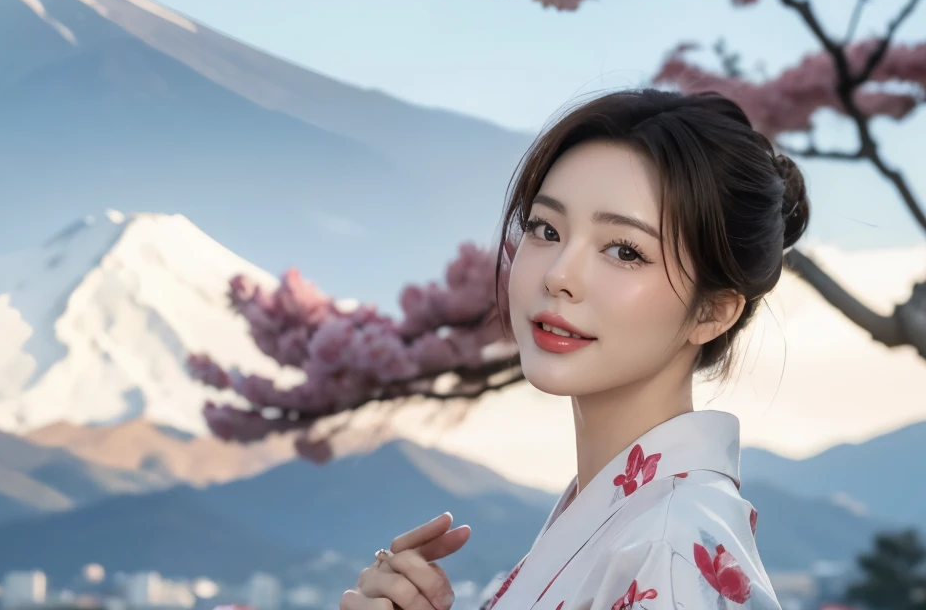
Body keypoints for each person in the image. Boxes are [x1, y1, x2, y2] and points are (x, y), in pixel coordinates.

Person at [340, 89, 809, 610]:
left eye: (624, 250)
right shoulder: (629, 520)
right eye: (546, 229)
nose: (560, 273)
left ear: (712, 311)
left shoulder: (666, 549)